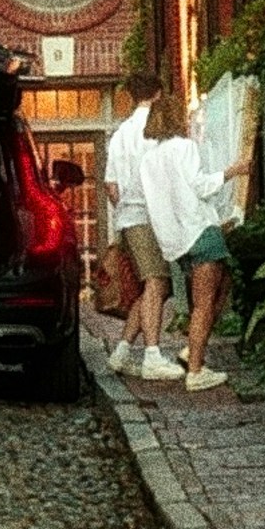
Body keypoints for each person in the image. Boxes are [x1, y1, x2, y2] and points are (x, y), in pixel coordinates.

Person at [135, 89, 248, 391]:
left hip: (177, 241)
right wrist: (232, 172)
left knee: (220, 286)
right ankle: (196, 370)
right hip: (199, 232)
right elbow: (200, 186)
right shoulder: (185, 148)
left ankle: (191, 349)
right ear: (175, 118)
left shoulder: (148, 162)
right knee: (205, 303)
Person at [101, 75, 170, 377]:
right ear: (157, 94)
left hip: (128, 218)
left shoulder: (120, 134)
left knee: (152, 286)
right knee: (156, 281)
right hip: (150, 216)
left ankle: (122, 351)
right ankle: (152, 356)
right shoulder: (158, 131)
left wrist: (125, 210)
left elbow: (111, 187)